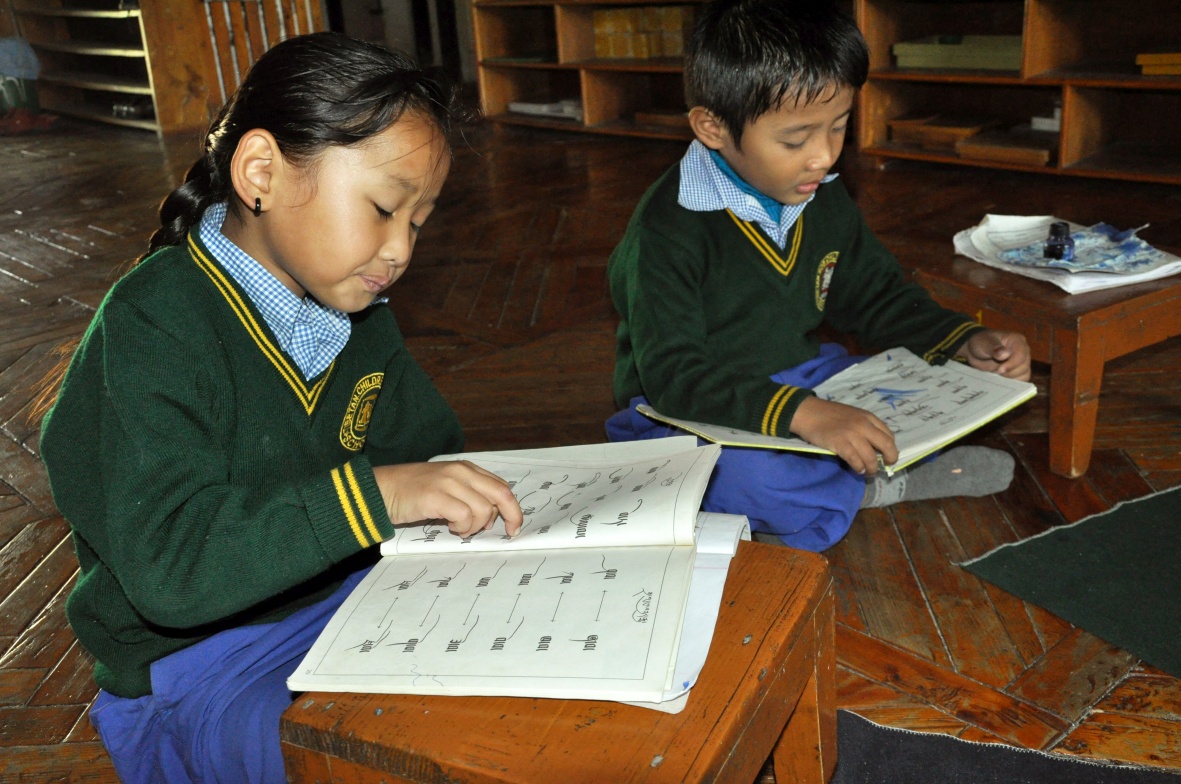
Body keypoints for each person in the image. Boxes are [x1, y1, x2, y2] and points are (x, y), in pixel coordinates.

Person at [37, 32, 522, 784]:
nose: (399, 251)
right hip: (196, 663)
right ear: (260, 171)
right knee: (362, 754)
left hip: (352, 599)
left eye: (417, 223)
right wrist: (380, 494)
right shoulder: (156, 322)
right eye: (383, 209)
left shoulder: (357, 306)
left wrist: (438, 489)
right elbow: (173, 569)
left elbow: (423, 448)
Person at [606, 0, 1031, 552]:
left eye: (839, 126)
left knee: (906, 390)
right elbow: (675, 377)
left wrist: (960, 341)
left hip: (804, 376)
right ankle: (877, 486)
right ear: (712, 127)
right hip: (689, 412)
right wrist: (805, 415)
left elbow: (876, 297)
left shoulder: (820, 197)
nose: (824, 157)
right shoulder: (668, 231)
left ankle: (853, 469)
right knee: (751, 480)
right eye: (794, 140)